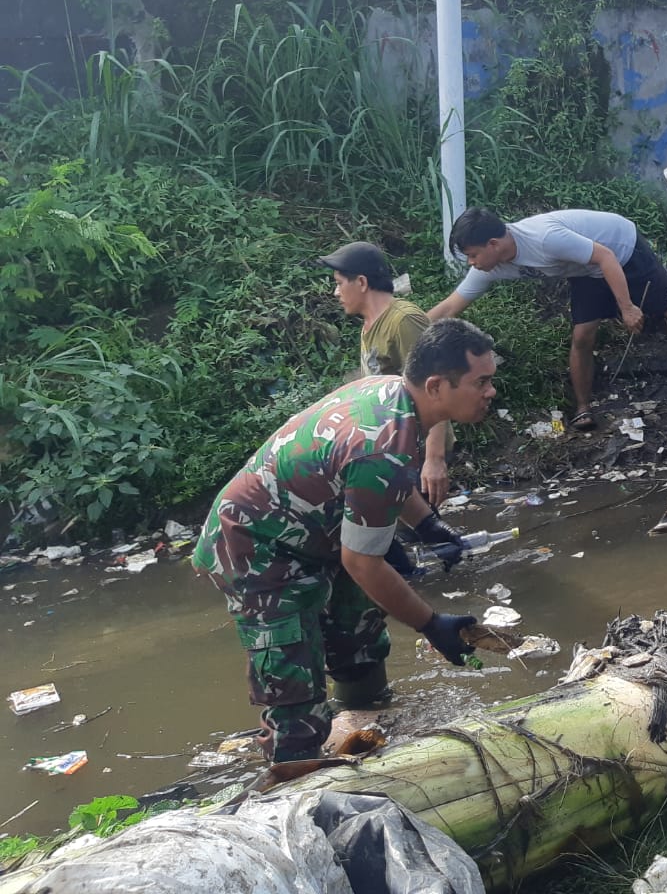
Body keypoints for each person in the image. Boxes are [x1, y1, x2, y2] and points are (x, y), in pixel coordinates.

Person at [192, 318, 495, 764]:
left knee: (359, 633)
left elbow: (387, 482)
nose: (491, 392)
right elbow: (364, 562)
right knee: (293, 686)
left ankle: (365, 728)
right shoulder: (383, 446)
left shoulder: (395, 396)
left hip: (317, 529)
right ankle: (292, 781)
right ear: (436, 386)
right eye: (481, 382)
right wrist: (433, 625)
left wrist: (429, 526)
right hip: (256, 547)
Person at [429, 208, 667, 431]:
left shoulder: (545, 239)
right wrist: (410, 331)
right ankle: (582, 407)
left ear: (492, 244)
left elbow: (606, 256)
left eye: (472, 255)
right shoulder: (488, 268)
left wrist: (627, 308)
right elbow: (450, 306)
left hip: (621, 251)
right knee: (581, 336)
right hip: (584, 271)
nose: (471, 263)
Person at [317, 241, 466, 576]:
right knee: (407, 545)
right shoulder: (370, 328)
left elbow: (437, 387)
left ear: (362, 283)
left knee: (401, 544)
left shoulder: (403, 321)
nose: (336, 292)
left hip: (416, 453)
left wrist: (435, 458)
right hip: (390, 455)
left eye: (340, 283)